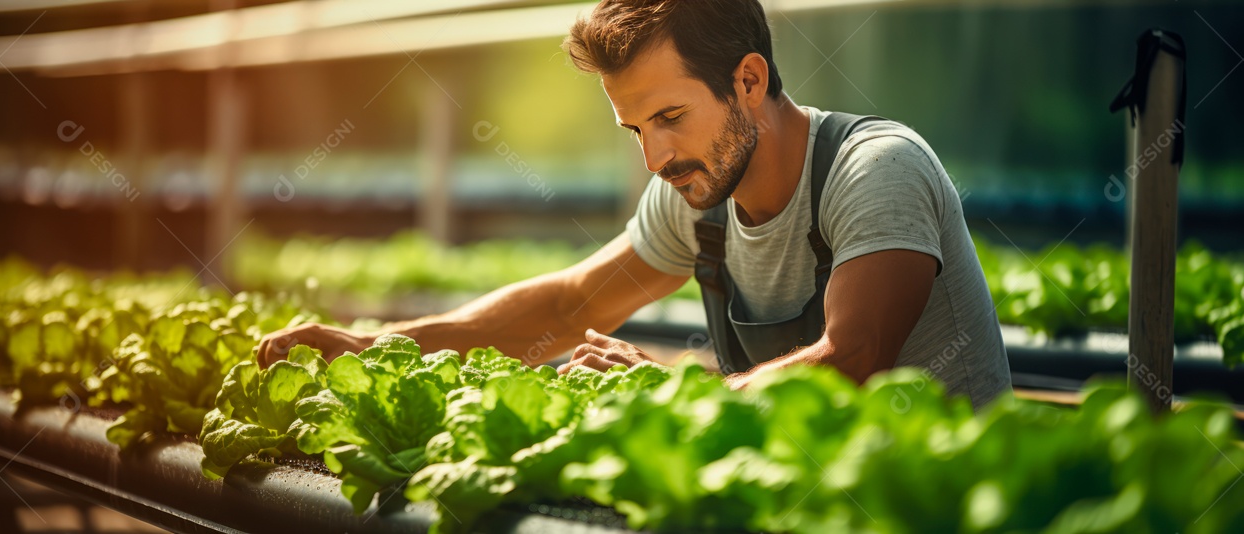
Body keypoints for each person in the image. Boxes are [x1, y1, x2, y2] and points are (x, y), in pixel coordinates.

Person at [257, 0, 1011, 410]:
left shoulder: (875, 169)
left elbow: (854, 356)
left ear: (749, 81)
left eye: (671, 118)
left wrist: (670, 390)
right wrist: (379, 348)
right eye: (634, 128)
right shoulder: (697, 192)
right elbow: (567, 305)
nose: (654, 159)